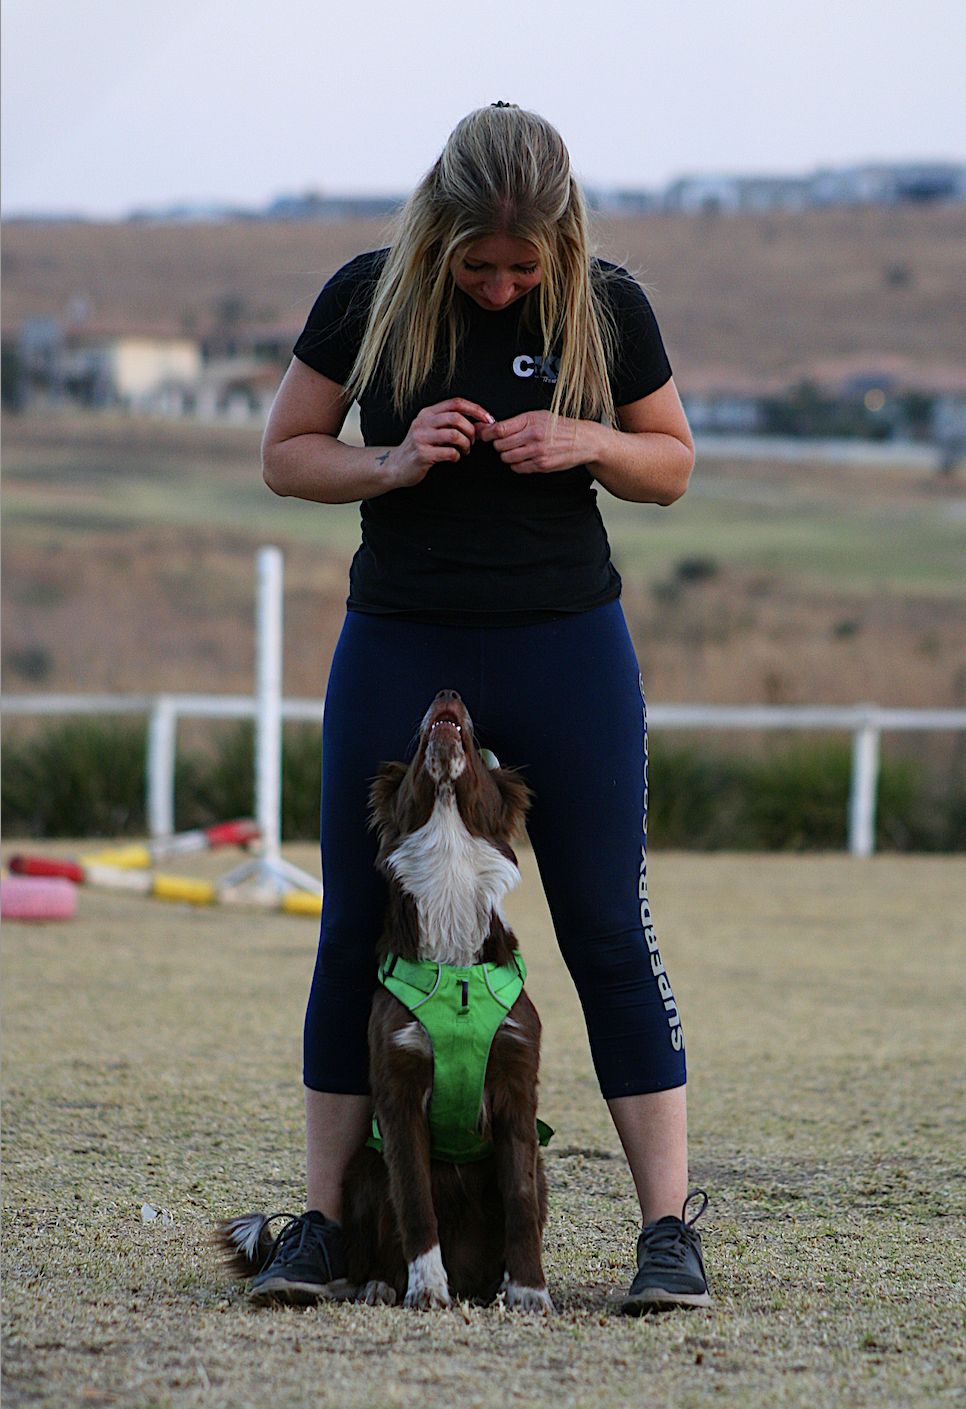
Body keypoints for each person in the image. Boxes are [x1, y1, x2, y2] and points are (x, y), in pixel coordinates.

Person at [252, 104, 710, 1312]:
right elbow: (288, 450)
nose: (503, 286)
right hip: (405, 635)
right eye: (478, 264)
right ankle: (319, 1217)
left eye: (525, 266)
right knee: (356, 924)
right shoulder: (366, 297)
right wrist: (392, 461)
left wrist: (588, 441)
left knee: (610, 925)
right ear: (436, 233)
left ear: (562, 242)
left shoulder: (609, 306)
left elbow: (671, 460)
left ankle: (668, 1232)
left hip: (566, 642)